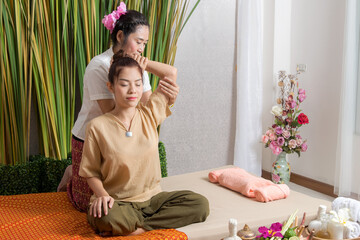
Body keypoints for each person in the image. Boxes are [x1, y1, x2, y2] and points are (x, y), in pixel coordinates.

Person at [60, 3, 179, 212]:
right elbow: (112, 115)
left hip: (124, 134)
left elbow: (148, 104)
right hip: (94, 136)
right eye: (138, 42)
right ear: (120, 36)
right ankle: (73, 172)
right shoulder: (99, 66)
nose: (142, 48)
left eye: (145, 43)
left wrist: (144, 65)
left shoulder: (138, 68)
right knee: (86, 204)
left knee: (119, 199)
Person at [79, 53, 209, 236]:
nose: (132, 90)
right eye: (124, 84)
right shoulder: (97, 126)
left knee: (199, 204)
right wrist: (103, 195)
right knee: (105, 217)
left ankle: (137, 229)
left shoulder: (149, 114)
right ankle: (143, 224)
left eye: (138, 83)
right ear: (111, 86)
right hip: (119, 203)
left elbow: (170, 73)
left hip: (153, 200)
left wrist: (142, 63)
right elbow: (90, 172)